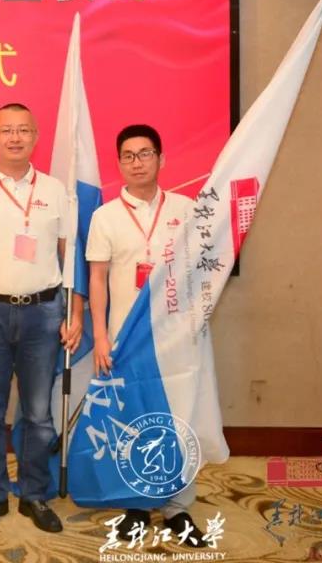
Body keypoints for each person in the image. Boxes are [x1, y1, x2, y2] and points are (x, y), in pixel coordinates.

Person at [0, 102, 82, 533]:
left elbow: (70, 258)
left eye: (23, 130)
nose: (15, 137)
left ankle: (34, 494)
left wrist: (75, 311)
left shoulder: (56, 190)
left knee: (39, 414)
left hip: (44, 313)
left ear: (36, 137)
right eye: (6, 130)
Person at [84, 123, 207, 548]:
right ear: (119, 164)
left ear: (161, 159)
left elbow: (199, 272)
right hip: (125, 340)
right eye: (128, 156)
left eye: (145, 153)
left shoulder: (186, 210)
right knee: (133, 421)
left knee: (178, 418)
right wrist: (101, 336)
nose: (137, 163)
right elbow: (97, 280)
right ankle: (135, 504)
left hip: (175, 339)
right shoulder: (105, 217)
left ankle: (177, 507)